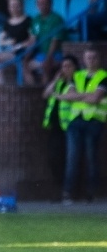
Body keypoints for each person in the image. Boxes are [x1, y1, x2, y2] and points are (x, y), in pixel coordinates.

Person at [58, 47, 107, 205]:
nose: (91, 60)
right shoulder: (77, 75)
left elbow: (95, 99)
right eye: (88, 58)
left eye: (93, 57)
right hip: (75, 121)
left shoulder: (103, 76)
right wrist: (87, 95)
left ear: (98, 59)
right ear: (84, 60)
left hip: (94, 121)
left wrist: (78, 96)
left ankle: (92, 194)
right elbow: (68, 96)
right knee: (72, 158)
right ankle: (69, 193)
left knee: (92, 157)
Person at [42, 55, 79, 198]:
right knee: (53, 158)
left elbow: (71, 95)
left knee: (66, 159)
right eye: (63, 66)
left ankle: (67, 191)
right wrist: (56, 79)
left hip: (68, 127)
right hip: (55, 127)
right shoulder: (59, 83)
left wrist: (57, 95)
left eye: (69, 66)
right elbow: (45, 94)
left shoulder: (75, 82)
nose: (66, 69)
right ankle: (58, 187)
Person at [25, 0, 68, 85]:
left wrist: (48, 58)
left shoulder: (57, 19)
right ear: (36, 5)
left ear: (51, 4)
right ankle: (35, 91)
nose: (42, 6)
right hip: (40, 55)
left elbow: (55, 42)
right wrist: (26, 57)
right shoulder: (35, 19)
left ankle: (45, 95)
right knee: (24, 66)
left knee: (46, 66)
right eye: (40, 3)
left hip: (56, 54)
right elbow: (33, 40)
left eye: (45, 3)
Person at [0, 0, 33, 85]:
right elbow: (0, 41)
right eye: (12, 6)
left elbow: (31, 40)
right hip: (12, 52)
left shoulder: (28, 20)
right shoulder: (7, 23)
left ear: (21, 6)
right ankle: (0, 92)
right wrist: (9, 42)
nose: (15, 8)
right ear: (9, 8)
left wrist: (19, 45)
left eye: (17, 5)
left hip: (23, 53)